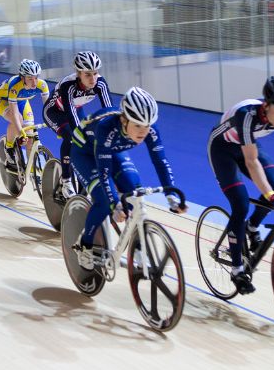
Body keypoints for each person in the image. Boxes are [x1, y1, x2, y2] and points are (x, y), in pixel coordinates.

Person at [207, 76, 274, 295]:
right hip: (222, 150)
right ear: (266, 105)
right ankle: (237, 269)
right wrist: (269, 194)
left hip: (247, 146)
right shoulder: (246, 115)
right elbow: (251, 162)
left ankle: (252, 227)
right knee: (241, 204)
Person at [69, 87, 186, 269]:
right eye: (138, 125)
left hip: (112, 150)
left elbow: (161, 162)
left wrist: (172, 196)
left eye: (147, 125)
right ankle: (85, 244)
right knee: (103, 200)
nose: (143, 131)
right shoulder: (106, 127)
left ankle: (138, 246)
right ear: (124, 120)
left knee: (134, 190)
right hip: (84, 152)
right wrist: (114, 204)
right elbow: (104, 172)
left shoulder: (149, 128)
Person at [43, 51, 112, 199]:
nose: (93, 78)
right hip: (55, 111)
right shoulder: (69, 85)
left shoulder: (100, 83)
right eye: (87, 74)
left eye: (95, 73)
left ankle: (84, 178)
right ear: (78, 73)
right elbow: (71, 116)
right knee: (72, 137)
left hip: (77, 108)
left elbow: (109, 113)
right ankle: (66, 180)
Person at [0, 59, 50, 172]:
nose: (34, 83)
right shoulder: (15, 85)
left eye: (36, 78)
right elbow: (14, 113)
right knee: (18, 119)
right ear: (22, 77)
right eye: (30, 79)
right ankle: (9, 148)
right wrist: (20, 132)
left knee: (30, 136)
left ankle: (31, 170)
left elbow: (48, 108)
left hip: (22, 101)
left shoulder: (42, 85)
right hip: (3, 101)